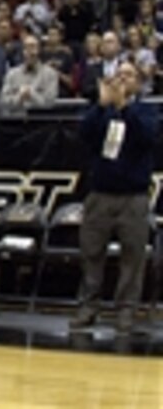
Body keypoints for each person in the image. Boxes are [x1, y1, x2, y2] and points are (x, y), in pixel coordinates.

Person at [71, 60, 158, 333]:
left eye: (129, 76)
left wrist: (124, 107)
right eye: (118, 75)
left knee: (133, 257)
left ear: (138, 83)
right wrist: (101, 104)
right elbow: (83, 135)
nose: (122, 80)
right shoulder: (101, 112)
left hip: (133, 197)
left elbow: (147, 138)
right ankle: (88, 306)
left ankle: (125, 310)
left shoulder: (146, 111)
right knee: (91, 253)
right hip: (100, 194)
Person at [0, 34, 59, 112]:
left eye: (33, 47)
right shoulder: (12, 74)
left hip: (42, 121)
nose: (30, 51)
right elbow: (4, 101)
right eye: (27, 47)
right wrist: (19, 97)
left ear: (39, 50)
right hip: (16, 121)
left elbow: (49, 103)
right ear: (23, 51)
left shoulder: (51, 74)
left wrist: (31, 94)